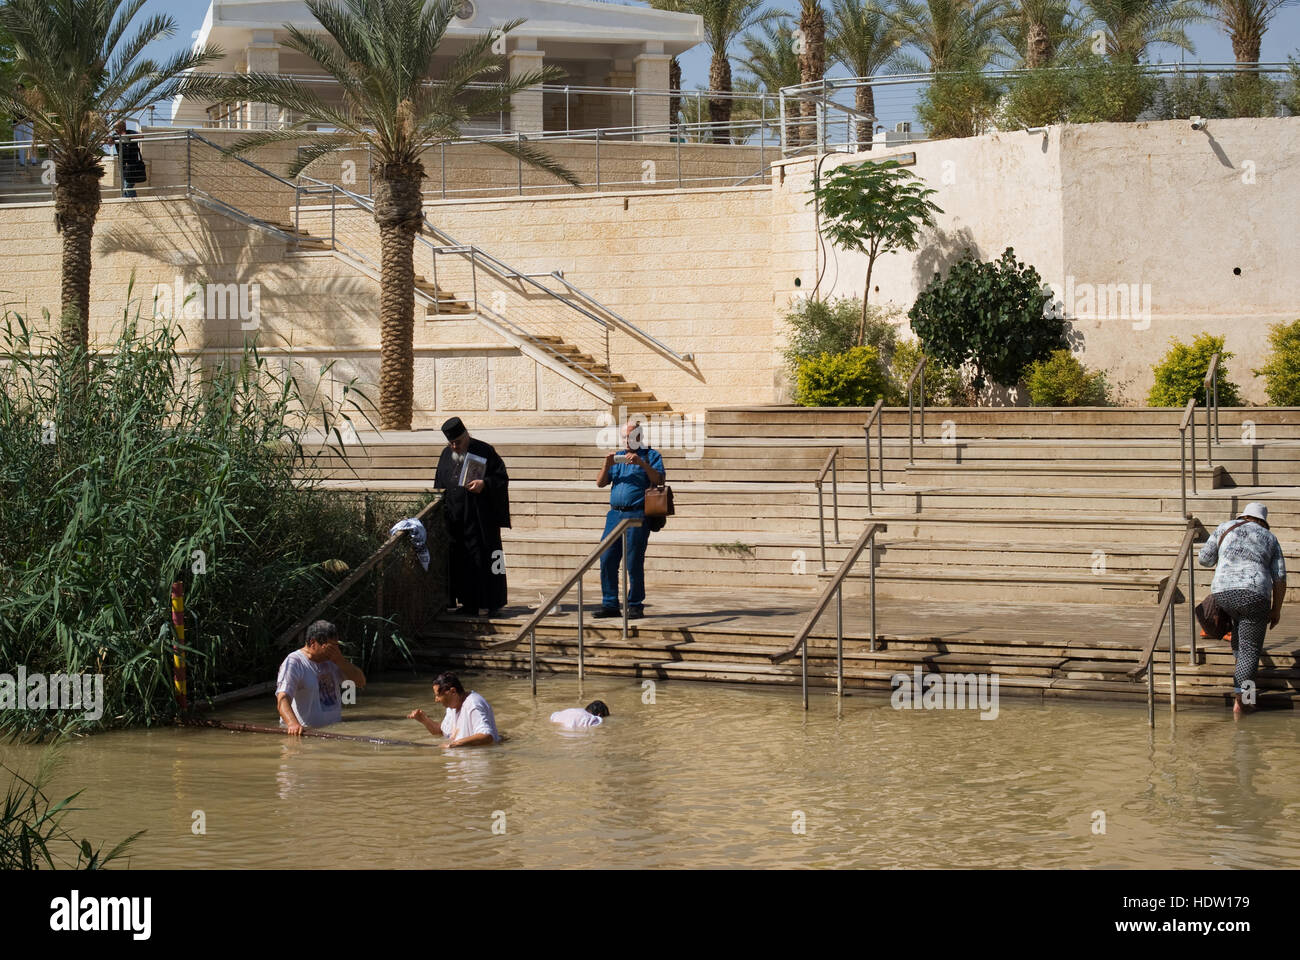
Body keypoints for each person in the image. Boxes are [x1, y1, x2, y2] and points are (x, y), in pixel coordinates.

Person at [1198, 502, 1286, 716]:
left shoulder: (1225, 527)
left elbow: (1204, 559)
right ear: (1264, 522)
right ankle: (1244, 701)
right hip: (1255, 595)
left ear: (1244, 516)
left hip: (1223, 593)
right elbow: (1280, 578)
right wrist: (1276, 610)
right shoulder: (1270, 539)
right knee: (1250, 650)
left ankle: (1244, 691)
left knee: (1241, 639)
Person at [434, 416, 510, 617]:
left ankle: (491, 602)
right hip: (454, 520)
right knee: (460, 562)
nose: (454, 446)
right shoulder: (445, 454)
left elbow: (501, 478)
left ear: (466, 435)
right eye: (450, 443)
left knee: (487, 560)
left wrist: (484, 484)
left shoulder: (485, 451)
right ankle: (467, 603)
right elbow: (439, 484)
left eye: (457, 442)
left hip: (480, 520)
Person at [594, 419, 664, 619]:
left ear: (639, 437)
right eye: (624, 436)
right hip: (615, 514)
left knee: (633, 561)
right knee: (607, 557)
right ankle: (610, 604)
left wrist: (641, 463)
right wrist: (606, 465)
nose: (626, 441)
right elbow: (600, 483)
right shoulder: (618, 457)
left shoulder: (651, 456)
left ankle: (635, 603)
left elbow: (659, 479)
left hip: (637, 514)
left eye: (630, 437)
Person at [275, 620, 367, 735]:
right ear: (313, 642)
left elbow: (361, 682)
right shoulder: (295, 662)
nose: (333, 652)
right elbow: (283, 698)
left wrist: (340, 660)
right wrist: (293, 724)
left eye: (335, 647)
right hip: (306, 734)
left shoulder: (333, 660)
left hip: (333, 733)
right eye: (329, 648)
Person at [407, 671, 500, 748]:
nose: (436, 700)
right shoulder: (452, 707)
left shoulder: (473, 704)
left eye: (438, 695)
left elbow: (487, 737)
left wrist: (454, 745)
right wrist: (424, 720)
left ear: (452, 691)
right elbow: (440, 731)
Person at [113, 120, 144, 198]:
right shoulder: (115, 135)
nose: (116, 130)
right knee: (123, 187)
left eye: (117, 128)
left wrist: (126, 137)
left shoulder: (130, 132)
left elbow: (141, 136)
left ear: (122, 127)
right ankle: (126, 200)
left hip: (132, 165)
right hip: (122, 165)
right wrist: (111, 139)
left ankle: (133, 202)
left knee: (128, 186)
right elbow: (109, 143)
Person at [12, 84, 35, 168]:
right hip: (17, 125)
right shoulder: (13, 102)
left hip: (28, 124)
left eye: (20, 89)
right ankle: (22, 162)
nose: (19, 91)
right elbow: (13, 115)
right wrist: (14, 124)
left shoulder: (28, 100)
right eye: (17, 89)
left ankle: (34, 161)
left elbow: (31, 114)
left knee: (30, 142)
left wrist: (19, 122)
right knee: (20, 144)